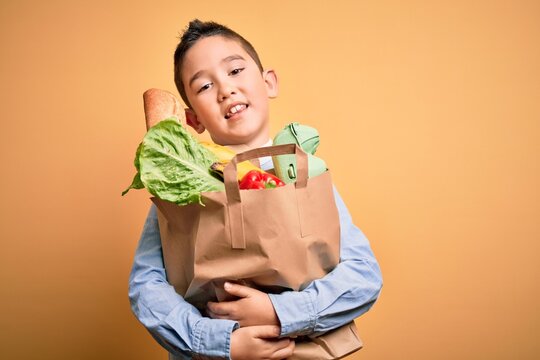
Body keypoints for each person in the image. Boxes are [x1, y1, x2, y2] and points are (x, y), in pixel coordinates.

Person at [129, 19, 383, 360]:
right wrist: (218, 342)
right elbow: (146, 286)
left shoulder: (304, 176)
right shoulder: (181, 186)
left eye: (235, 70)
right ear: (194, 121)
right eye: (204, 86)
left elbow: (363, 275)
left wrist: (278, 313)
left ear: (269, 83)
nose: (225, 90)